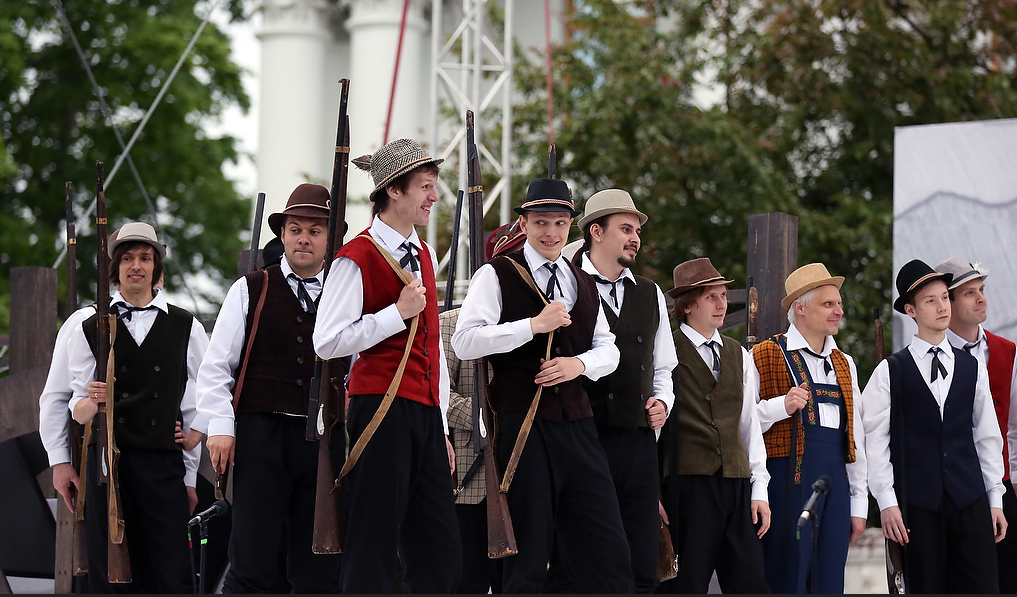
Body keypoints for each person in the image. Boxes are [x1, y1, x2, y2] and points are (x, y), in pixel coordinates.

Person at [452, 178, 632, 593]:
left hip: (580, 426)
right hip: (523, 426)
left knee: (608, 552)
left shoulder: (580, 281)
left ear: (572, 225)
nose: (551, 232)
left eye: (559, 222)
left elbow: (609, 348)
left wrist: (578, 364)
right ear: (524, 224)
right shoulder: (495, 274)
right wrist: (532, 326)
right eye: (540, 222)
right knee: (528, 557)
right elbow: (465, 339)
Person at [313, 138, 460, 593]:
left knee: (440, 551)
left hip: (423, 415)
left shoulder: (426, 255)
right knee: (373, 544)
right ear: (393, 191)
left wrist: (441, 428)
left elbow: (432, 348)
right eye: (425, 186)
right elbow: (328, 342)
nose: (434, 197)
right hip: (380, 409)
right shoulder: (355, 256)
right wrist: (395, 314)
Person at [186, 184, 345, 593]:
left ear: (330, 238)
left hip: (325, 442)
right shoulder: (251, 287)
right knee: (251, 559)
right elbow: (216, 365)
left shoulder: (346, 296)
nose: (304, 238)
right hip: (261, 437)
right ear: (283, 235)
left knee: (318, 565)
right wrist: (221, 424)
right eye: (295, 229)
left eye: (314, 230)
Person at [543, 189, 677, 594]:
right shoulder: (563, 282)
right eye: (626, 228)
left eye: (637, 230)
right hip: (582, 436)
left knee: (640, 558)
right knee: (574, 558)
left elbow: (664, 365)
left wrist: (663, 401)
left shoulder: (650, 292)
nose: (635, 237)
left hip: (637, 442)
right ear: (596, 232)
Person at [66, 222, 207, 593]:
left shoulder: (185, 325)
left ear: (157, 267)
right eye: (127, 258)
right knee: (108, 571)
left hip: (162, 464)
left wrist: (191, 465)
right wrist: (93, 402)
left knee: (171, 569)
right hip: (108, 465)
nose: (136, 266)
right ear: (114, 268)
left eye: (145, 258)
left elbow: (205, 394)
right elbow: (74, 408)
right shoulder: (88, 324)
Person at [861, 259, 1007, 593]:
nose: (942, 306)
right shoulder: (890, 370)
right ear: (911, 310)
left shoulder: (972, 367)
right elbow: (874, 441)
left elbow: (987, 436)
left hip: (970, 501)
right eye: (931, 301)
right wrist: (886, 501)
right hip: (918, 508)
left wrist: (995, 498)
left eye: (944, 297)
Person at [751, 263, 867, 593]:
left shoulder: (845, 362)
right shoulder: (764, 354)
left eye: (838, 303)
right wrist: (779, 407)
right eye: (828, 304)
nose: (838, 311)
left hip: (835, 486)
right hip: (787, 482)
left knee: (830, 582)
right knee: (786, 578)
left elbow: (856, 436)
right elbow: (742, 424)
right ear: (800, 308)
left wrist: (859, 504)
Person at [658, 257, 770, 593]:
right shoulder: (664, 350)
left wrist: (759, 490)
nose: (722, 304)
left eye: (723, 295)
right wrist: (652, 491)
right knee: (684, 585)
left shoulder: (739, 354)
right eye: (712, 297)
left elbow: (749, 425)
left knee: (751, 584)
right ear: (688, 305)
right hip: (686, 486)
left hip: (736, 486)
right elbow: (652, 428)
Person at [444, 222, 523, 594]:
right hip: (470, 479)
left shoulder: (541, 325)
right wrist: (486, 417)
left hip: (527, 474)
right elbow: (438, 396)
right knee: (466, 581)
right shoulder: (451, 323)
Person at [936, 257, 1017, 593]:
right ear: (947, 302)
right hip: (952, 490)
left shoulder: (1008, 351)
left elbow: (1014, 427)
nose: (981, 298)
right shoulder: (929, 356)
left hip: (1003, 485)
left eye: (981, 290)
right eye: (969, 293)